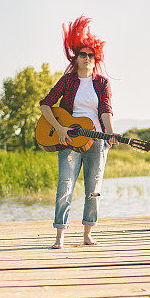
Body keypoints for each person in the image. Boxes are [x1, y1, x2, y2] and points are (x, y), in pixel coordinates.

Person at [39, 16, 118, 249]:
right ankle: (59, 237)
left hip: (96, 143)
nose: (86, 58)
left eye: (90, 55)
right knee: (65, 186)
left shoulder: (102, 83)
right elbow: (45, 104)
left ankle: (87, 235)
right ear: (76, 59)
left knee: (93, 191)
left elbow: (106, 110)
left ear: (96, 59)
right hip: (69, 141)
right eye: (82, 55)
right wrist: (59, 127)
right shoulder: (67, 81)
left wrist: (111, 133)